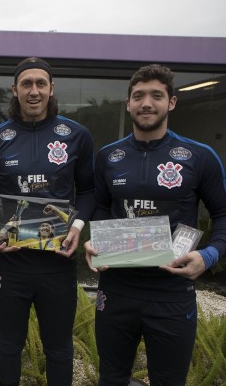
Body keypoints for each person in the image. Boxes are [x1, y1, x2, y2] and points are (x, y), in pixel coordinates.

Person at [84, 64, 226, 386]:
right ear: (128, 104)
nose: (146, 102)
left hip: (172, 294)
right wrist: (96, 241)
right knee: (111, 378)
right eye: (138, 96)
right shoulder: (108, 156)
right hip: (117, 292)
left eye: (156, 95)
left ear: (171, 102)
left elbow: (223, 215)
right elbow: (103, 207)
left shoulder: (199, 156)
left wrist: (209, 256)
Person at [0, 57, 95, 386]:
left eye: (40, 84)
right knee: (9, 345)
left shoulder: (76, 135)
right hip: (10, 263)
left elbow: (88, 190)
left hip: (57, 264)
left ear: (51, 88)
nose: (34, 91)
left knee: (58, 348)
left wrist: (77, 226)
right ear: (14, 90)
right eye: (26, 84)